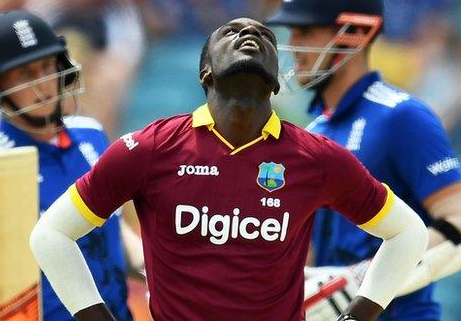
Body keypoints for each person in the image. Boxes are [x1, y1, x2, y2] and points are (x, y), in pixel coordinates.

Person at [30, 17, 428, 321]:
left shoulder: (317, 158)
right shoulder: (148, 149)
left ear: (275, 81)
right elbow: (50, 234)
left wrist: (359, 315)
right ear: (205, 72)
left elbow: (408, 233)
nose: (249, 33)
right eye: (230, 33)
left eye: (265, 38)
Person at [267, 0, 461, 320]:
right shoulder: (316, 129)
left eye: (306, 31)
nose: (294, 44)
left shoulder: (401, 116)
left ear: (356, 34)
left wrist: (362, 278)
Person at [0, 10, 135, 321]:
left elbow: (111, 228)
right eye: (24, 75)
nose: (43, 85)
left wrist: (154, 269)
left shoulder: (92, 134)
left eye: (46, 67)